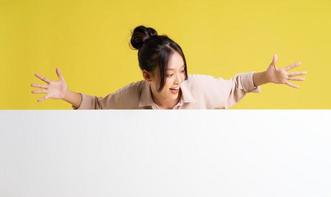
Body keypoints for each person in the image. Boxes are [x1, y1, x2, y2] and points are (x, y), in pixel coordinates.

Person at [31, 25, 306, 109]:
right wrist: (66, 94)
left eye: (182, 71)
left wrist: (266, 77)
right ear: (147, 76)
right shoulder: (133, 96)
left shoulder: (197, 88)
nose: (178, 81)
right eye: (170, 74)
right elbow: (98, 107)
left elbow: (235, 86)